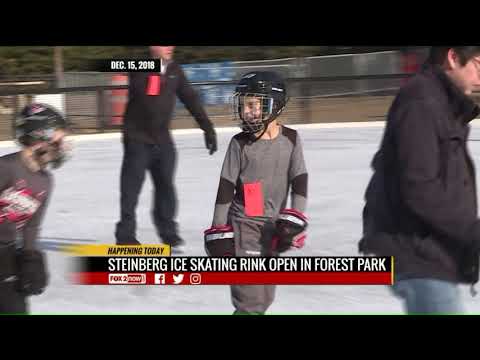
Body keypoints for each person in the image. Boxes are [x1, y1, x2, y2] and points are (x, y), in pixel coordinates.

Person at [360, 46, 480, 314]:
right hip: (416, 254)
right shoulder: (421, 102)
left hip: (433, 254)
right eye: (478, 64)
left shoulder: (442, 103)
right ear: (452, 57)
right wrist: (473, 232)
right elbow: (419, 187)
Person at [203, 71, 308, 314]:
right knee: (250, 301)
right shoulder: (239, 144)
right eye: (243, 105)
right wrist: (219, 231)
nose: (245, 111)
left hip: (274, 230)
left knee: (264, 298)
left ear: (275, 104)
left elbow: (299, 178)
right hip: (244, 227)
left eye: (252, 104)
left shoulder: (291, 139)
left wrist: (295, 217)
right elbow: (226, 188)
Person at [115, 46, 218, 251]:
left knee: (166, 187)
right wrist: (154, 70)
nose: (170, 47)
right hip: (138, 139)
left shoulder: (175, 70)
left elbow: (190, 98)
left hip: (163, 140)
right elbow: (146, 96)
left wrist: (207, 127)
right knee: (130, 190)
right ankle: (125, 235)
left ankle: (168, 232)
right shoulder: (139, 67)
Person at [0, 103, 70, 313]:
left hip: (7, 252)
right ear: (40, 135)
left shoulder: (45, 181)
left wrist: (31, 256)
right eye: (59, 139)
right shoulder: (6, 168)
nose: (63, 145)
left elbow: (32, 226)